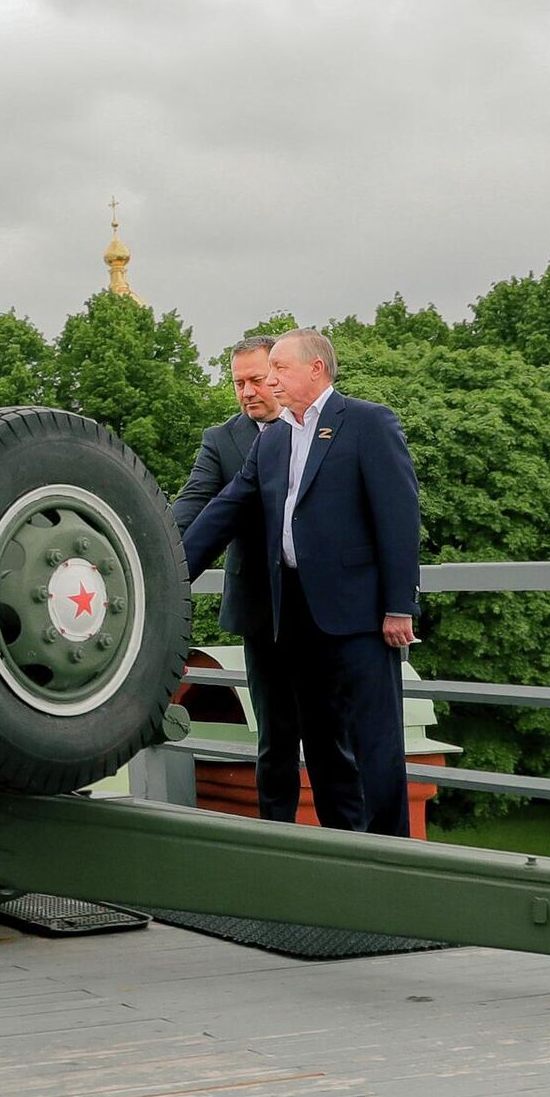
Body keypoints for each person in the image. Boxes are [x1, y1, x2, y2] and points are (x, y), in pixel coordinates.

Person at [180, 328, 420, 836]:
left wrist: (400, 606)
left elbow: (398, 519)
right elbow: (221, 511)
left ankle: (395, 858)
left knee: (376, 744)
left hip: (360, 619)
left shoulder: (368, 422)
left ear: (316, 369)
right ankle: (337, 853)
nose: (269, 381)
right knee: (318, 742)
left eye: (278, 370)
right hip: (295, 621)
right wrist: (168, 575)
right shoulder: (275, 439)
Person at [171, 335, 303, 820]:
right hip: (259, 610)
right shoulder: (221, 440)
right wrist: (154, 559)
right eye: (237, 383)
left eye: (255, 380)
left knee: (337, 734)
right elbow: (191, 507)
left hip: (323, 607)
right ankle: (277, 841)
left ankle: (346, 846)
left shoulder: (318, 427)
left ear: (279, 376)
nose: (247, 392)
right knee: (275, 738)